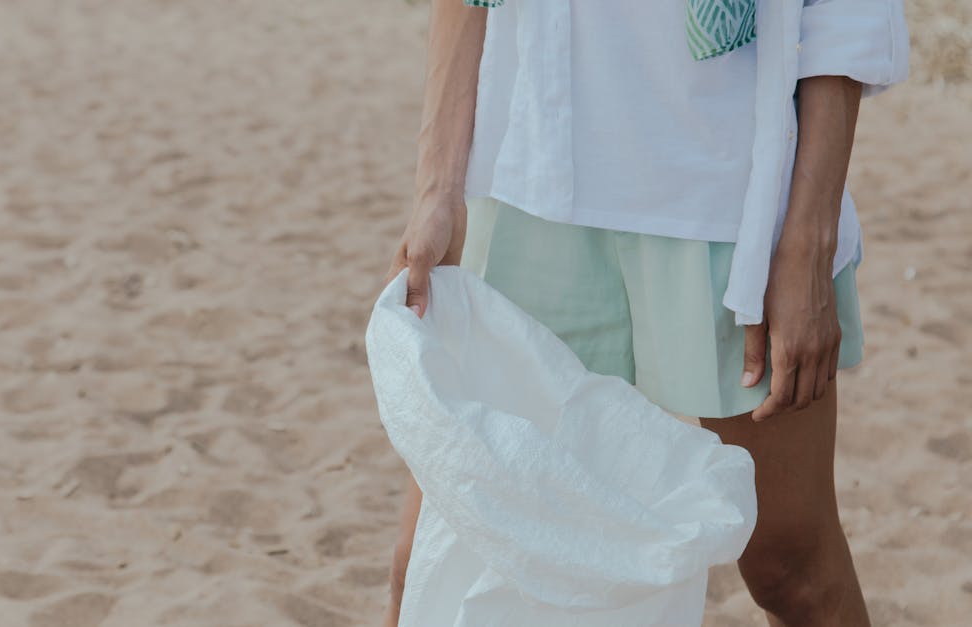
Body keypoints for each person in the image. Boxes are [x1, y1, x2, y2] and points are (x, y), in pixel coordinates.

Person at [380, 1, 909, 625]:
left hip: (727, 196)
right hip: (529, 174)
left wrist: (808, 241)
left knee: (791, 571)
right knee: (430, 560)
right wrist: (437, 188)